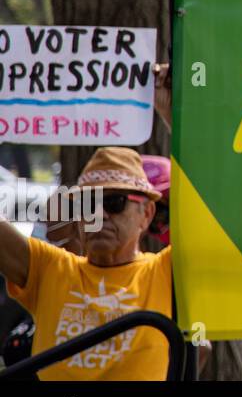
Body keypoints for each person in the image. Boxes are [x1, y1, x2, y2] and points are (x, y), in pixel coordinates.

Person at [0, 146, 173, 380]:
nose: (98, 215)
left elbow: (218, 205)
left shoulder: (164, 272)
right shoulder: (48, 268)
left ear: (147, 213)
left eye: (115, 202)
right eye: (88, 203)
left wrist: (172, 113)